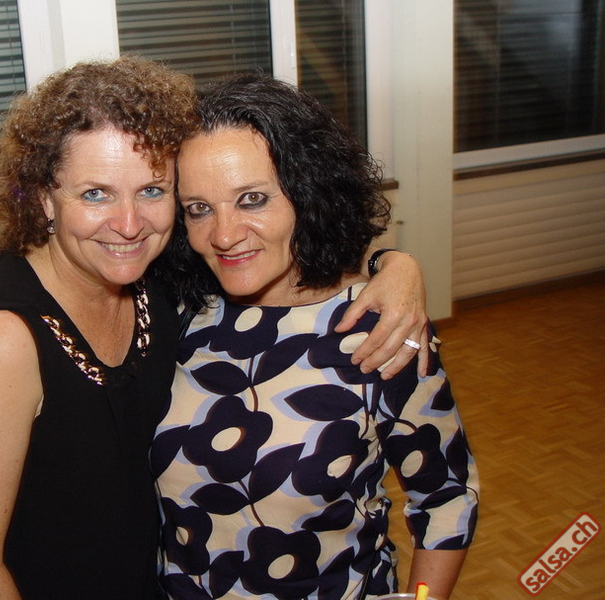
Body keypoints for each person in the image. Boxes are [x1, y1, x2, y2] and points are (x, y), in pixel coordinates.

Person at [0, 56, 429, 599]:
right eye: (95, 193)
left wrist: (394, 265)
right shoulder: (3, 339)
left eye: (151, 190)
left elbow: (290, 248)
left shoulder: (159, 282)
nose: (129, 224)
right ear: (45, 198)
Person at [152, 73, 479, 600]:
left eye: (252, 199)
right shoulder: (181, 314)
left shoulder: (377, 325)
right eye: (199, 208)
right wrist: (394, 260)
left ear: (307, 194)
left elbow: (445, 499)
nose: (224, 235)